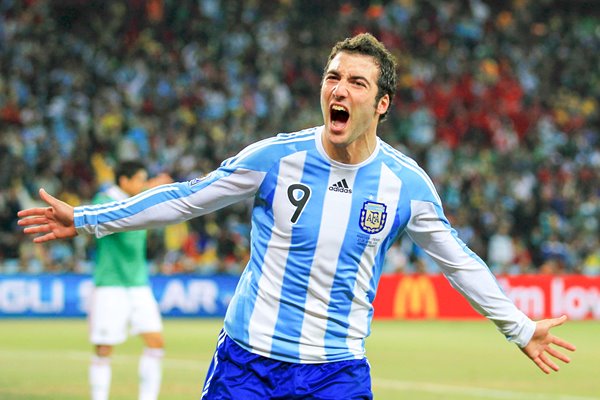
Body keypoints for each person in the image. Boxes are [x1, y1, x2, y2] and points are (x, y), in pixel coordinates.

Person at [18, 33, 575, 399]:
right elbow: (186, 197)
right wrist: (88, 219)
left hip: (335, 373)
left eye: (357, 82)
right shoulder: (274, 159)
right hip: (247, 364)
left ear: (381, 105)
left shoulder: (405, 185)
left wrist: (519, 327)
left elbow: (459, 262)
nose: (340, 88)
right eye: (334, 77)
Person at [87, 160, 171, 400]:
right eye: (140, 179)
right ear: (124, 181)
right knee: (104, 348)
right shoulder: (102, 201)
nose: (143, 184)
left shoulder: (140, 200)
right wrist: (152, 190)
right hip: (110, 285)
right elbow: (112, 218)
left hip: (138, 284)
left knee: (156, 342)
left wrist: (154, 190)